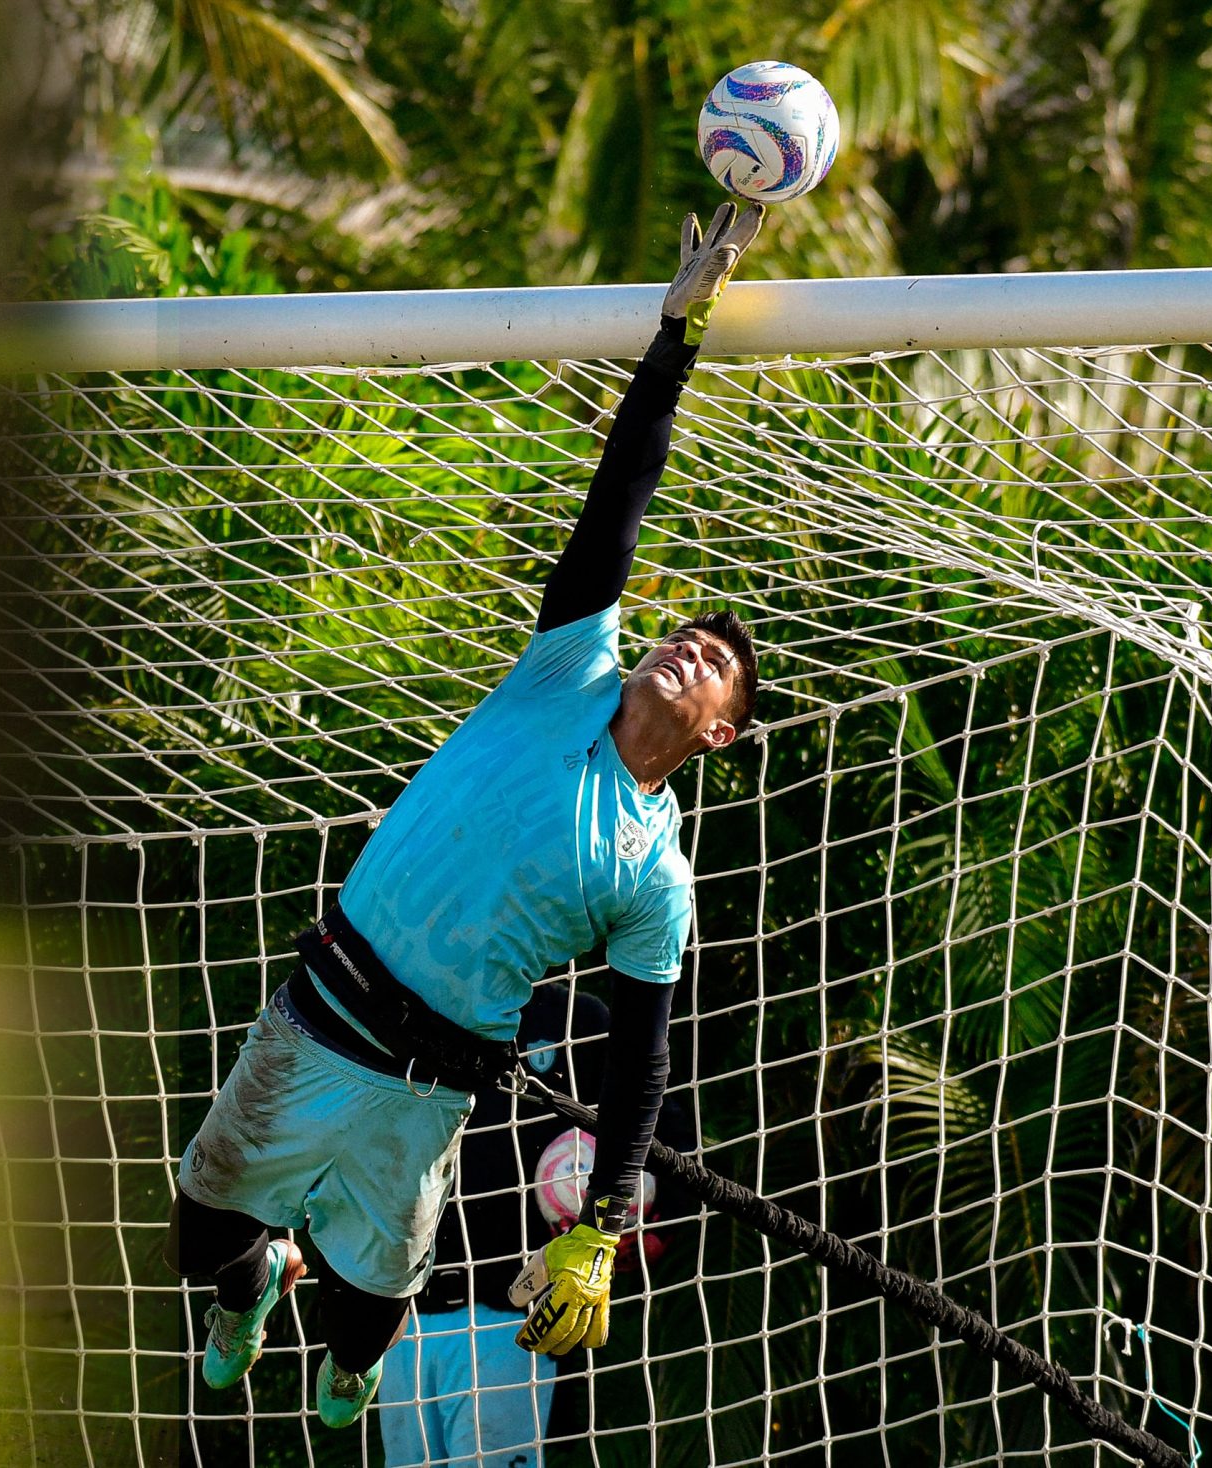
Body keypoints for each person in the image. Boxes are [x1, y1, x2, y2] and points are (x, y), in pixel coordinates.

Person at [164, 202, 767, 1431]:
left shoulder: (655, 873)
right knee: (201, 1239)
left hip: (430, 1081)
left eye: (710, 663)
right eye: (683, 633)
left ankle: (348, 1356)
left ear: (717, 733)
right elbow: (619, 501)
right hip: (321, 1008)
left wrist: (599, 1229)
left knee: (365, 1314)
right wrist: (675, 335)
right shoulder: (566, 674)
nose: (683, 648)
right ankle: (249, 1290)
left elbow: (640, 1054)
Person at [374, 986, 697, 1466]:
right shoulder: (407, 1009)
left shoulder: (575, 1019)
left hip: (513, 1320)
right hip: (398, 1324)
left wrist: (644, 1226)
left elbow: (662, 1133)